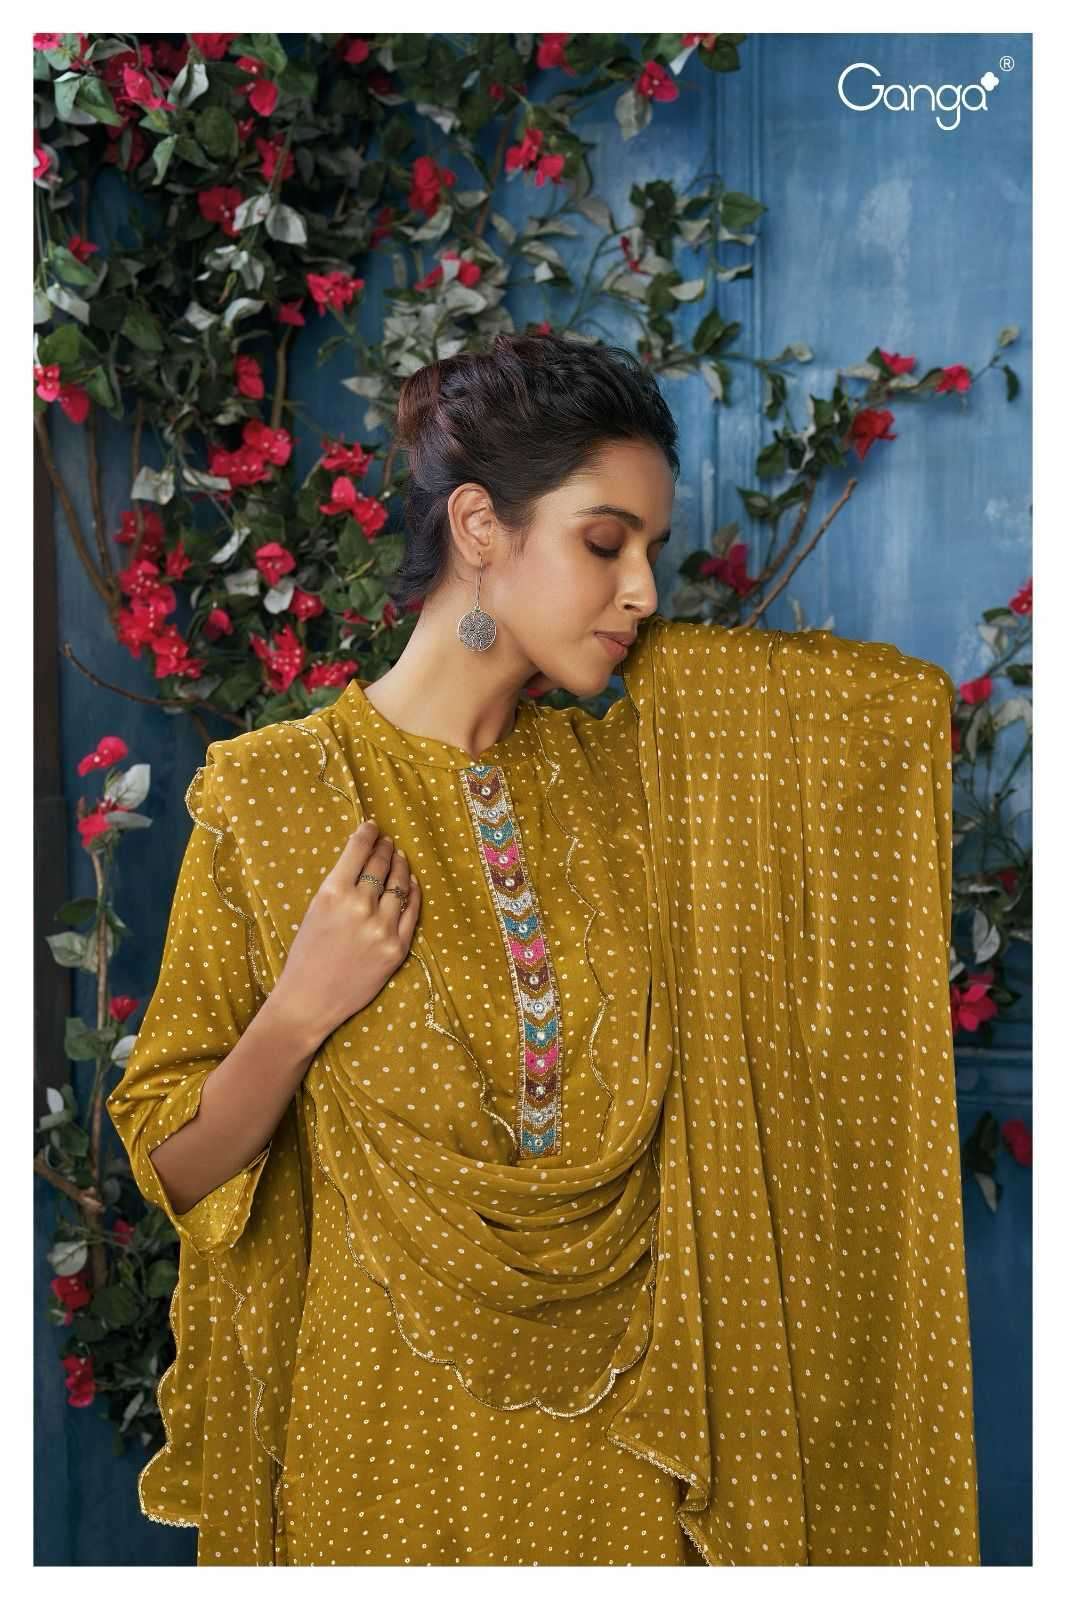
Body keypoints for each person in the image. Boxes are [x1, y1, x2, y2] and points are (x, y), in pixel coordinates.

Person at [106, 332, 980, 1566]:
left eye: (652, 553)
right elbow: (175, 1166)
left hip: (627, 1443)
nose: (643, 593)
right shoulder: (273, 798)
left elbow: (884, 722)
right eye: (604, 543)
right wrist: (300, 1009)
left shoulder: (639, 785)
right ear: (479, 525)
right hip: (382, 1451)